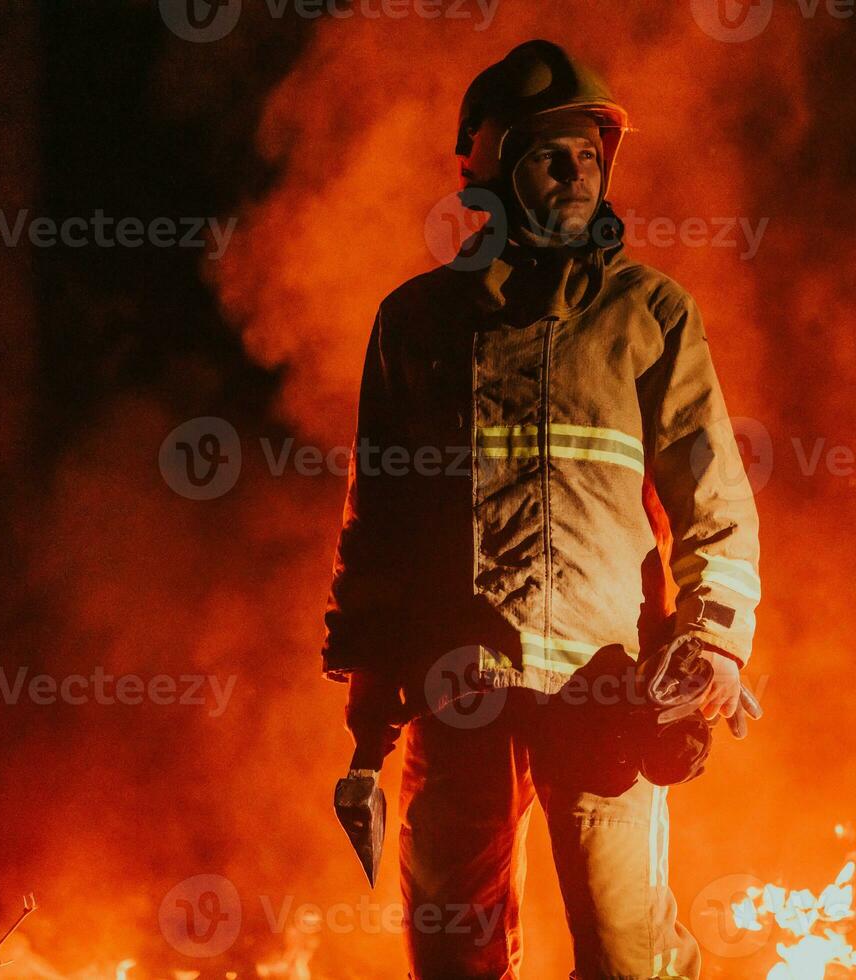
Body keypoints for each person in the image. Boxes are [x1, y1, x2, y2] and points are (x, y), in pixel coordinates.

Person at [320, 38, 762, 980]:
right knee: (451, 955)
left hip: (606, 690)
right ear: (487, 169)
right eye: (550, 154)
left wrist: (715, 640)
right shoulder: (416, 324)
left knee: (628, 955)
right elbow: (379, 525)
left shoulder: (652, 316)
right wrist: (368, 722)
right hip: (457, 694)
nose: (577, 173)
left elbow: (713, 499)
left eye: (590, 155)